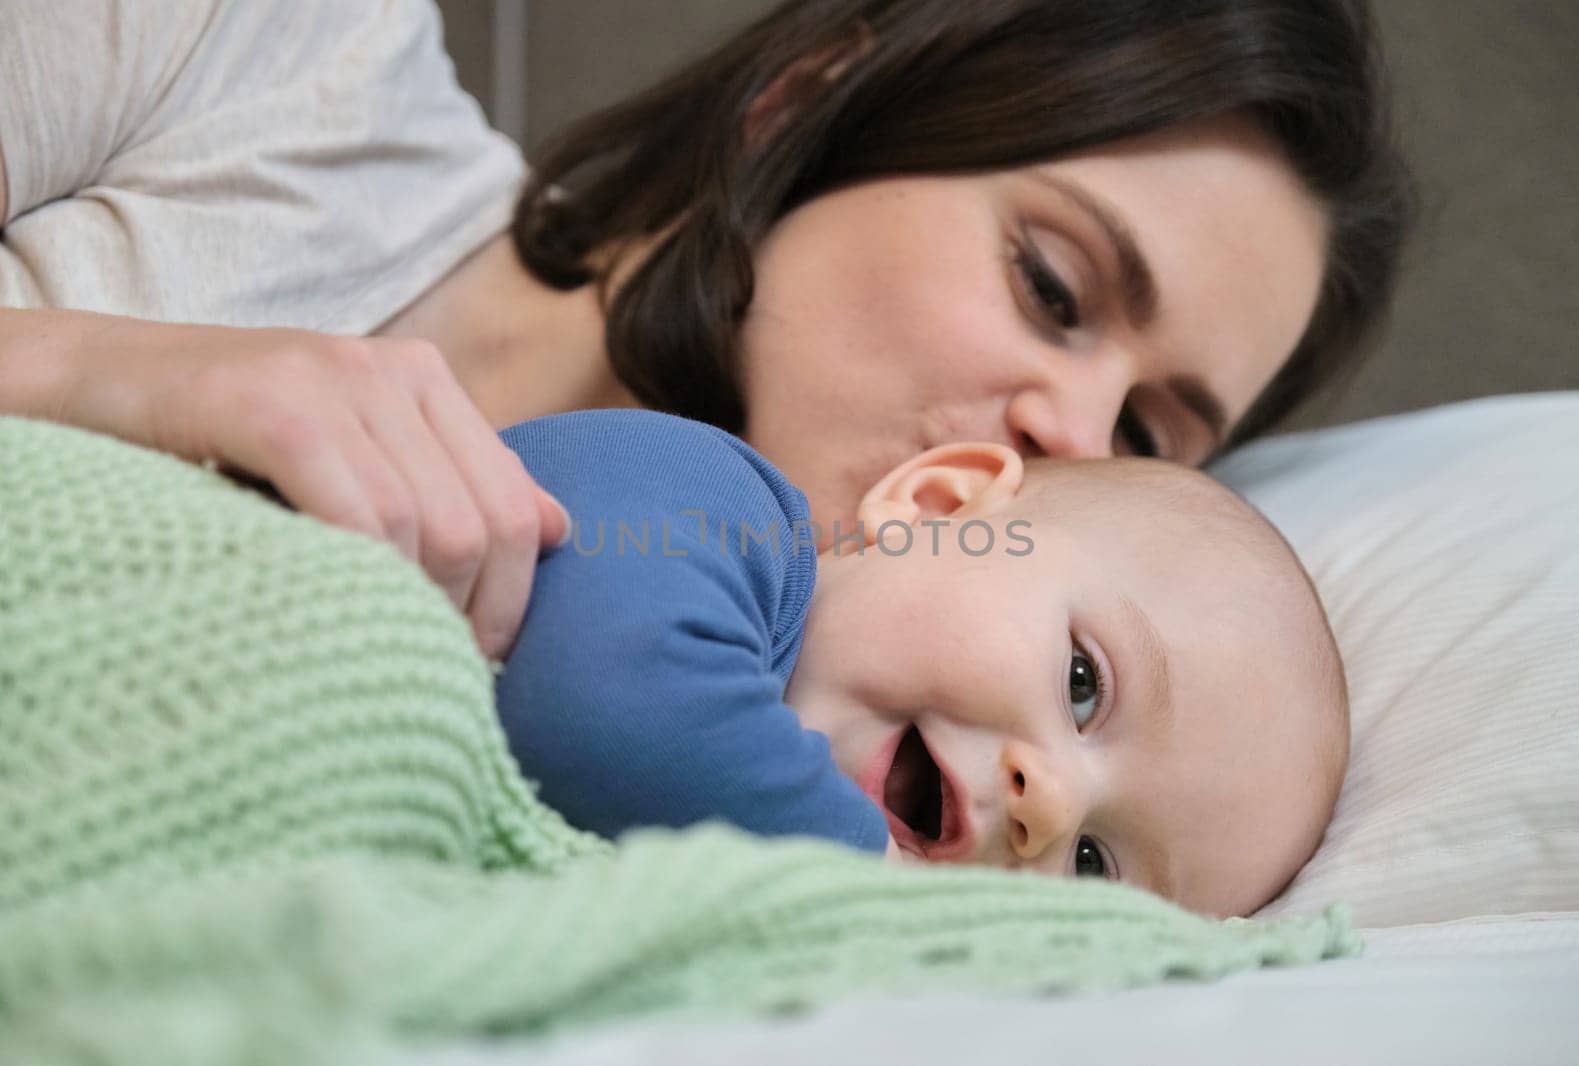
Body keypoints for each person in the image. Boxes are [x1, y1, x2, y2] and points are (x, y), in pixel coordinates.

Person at [0, 0, 1416, 662]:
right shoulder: (267, 49)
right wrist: (107, 373)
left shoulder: (766, 783)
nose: (1070, 431)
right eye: (1052, 285)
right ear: (805, 102)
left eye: (1147, 433)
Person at [494, 408, 1347, 919]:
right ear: (941, 505)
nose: (1050, 805)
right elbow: (601, 708)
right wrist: (869, 890)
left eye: (1093, 868)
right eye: (1082, 685)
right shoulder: (705, 498)